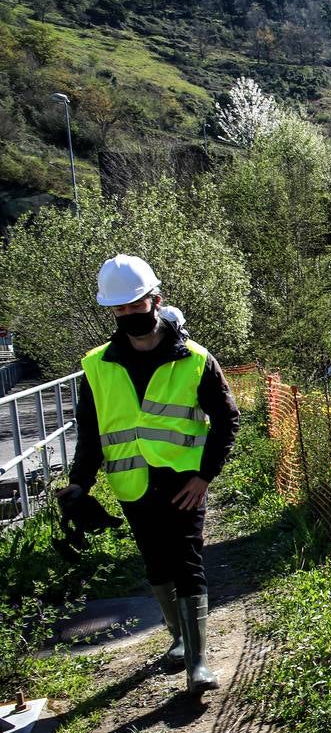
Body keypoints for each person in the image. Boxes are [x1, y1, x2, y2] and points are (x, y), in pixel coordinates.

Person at [57, 255, 240, 696]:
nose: (128, 315)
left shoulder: (195, 359)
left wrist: (205, 477)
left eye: (135, 306)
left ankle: (198, 662)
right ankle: (178, 639)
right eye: (119, 309)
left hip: (182, 482)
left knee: (188, 561)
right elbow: (91, 430)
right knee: (156, 563)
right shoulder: (96, 365)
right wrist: (80, 481)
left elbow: (227, 420)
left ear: (155, 301)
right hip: (132, 483)